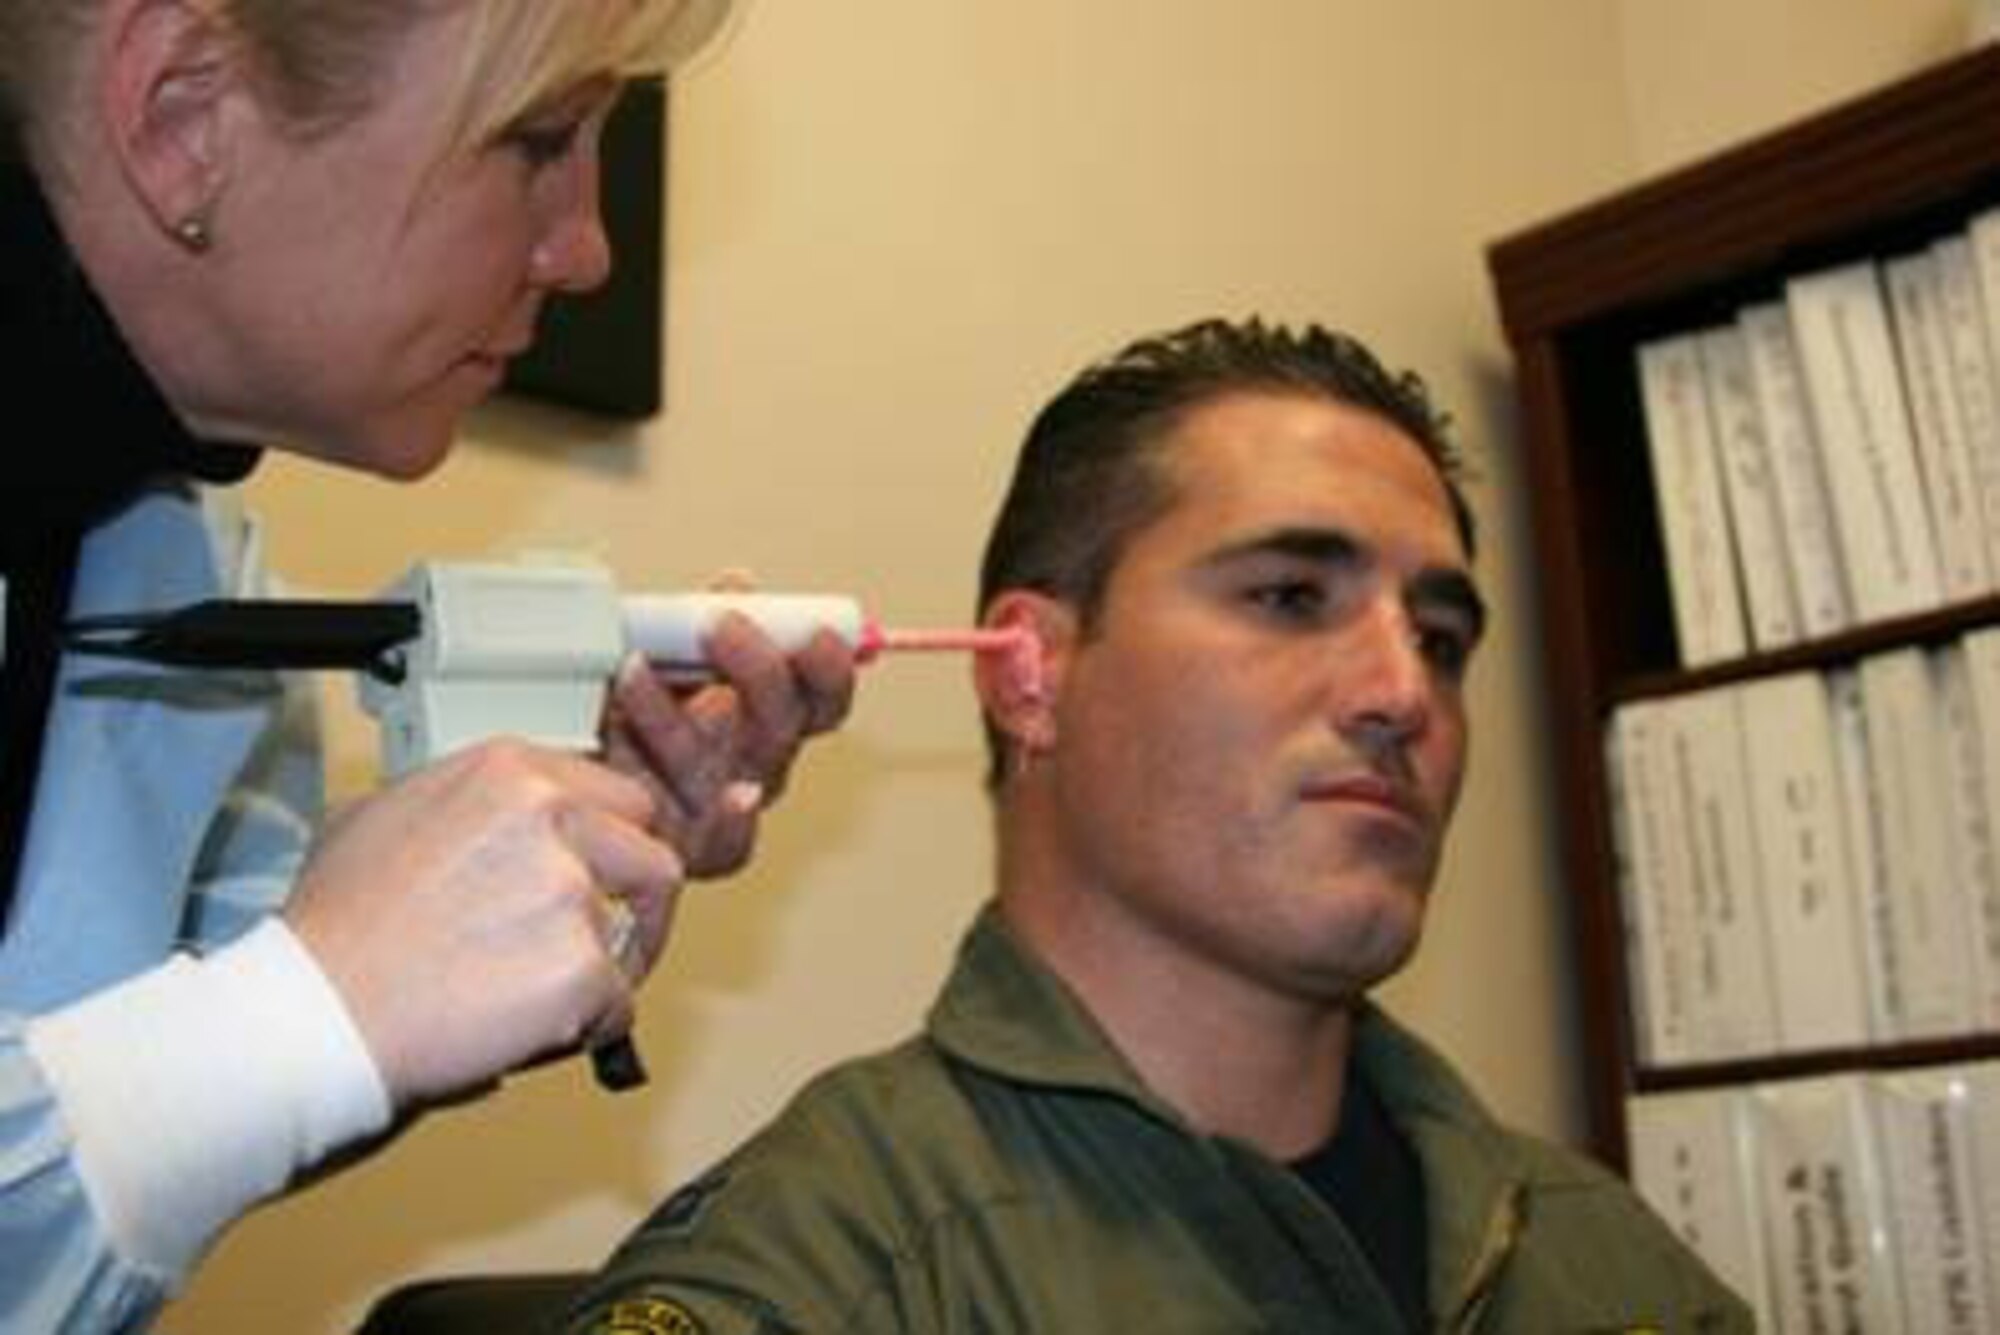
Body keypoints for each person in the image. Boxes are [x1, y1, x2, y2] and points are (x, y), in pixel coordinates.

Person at [557, 318, 1755, 1333]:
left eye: (1439, 640)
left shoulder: (1610, 1263)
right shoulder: (844, 1265)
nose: (1403, 694)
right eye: (1289, 597)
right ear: (1029, 675)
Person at [0, 1, 855, 1329]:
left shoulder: (180, 561)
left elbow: (147, 1135)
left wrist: (502, 920)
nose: (586, 250)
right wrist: (307, 1005)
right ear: (183, 114)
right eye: (539, 140)